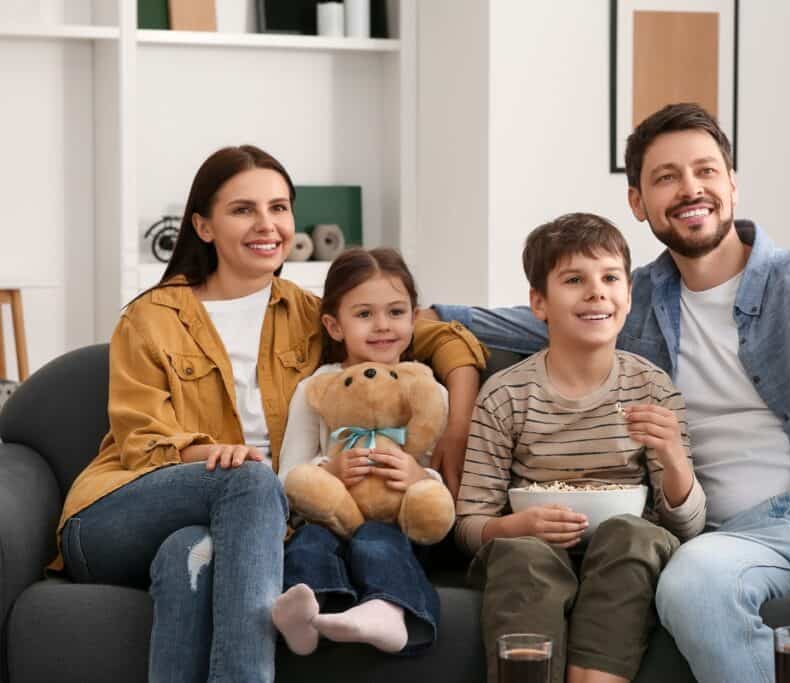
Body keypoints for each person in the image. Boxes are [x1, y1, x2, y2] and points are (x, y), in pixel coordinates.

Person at [426, 104, 790, 682]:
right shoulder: (629, 300)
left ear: (731, 183)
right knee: (685, 587)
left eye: (705, 171)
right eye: (666, 177)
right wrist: (433, 354)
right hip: (732, 537)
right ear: (638, 202)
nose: (690, 189)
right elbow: (506, 321)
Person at [51, 145, 487, 683]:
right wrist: (214, 455)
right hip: (116, 513)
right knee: (252, 482)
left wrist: (459, 422)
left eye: (279, 208)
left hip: (233, 524)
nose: (268, 225)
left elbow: (441, 333)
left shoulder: (312, 312)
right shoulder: (151, 318)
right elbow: (141, 440)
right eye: (244, 210)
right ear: (204, 227)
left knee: (190, 556)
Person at [454, 213, 706, 683]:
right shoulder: (506, 394)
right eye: (574, 280)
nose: (596, 292)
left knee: (633, 537)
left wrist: (673, 457)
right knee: (520, 555)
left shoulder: (651, 388)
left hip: (628, 548)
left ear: (628, 297)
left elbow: (687, 525)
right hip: (531, 547)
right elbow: (468, 525)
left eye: (611, 278)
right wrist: (516, 525)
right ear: (539, 302)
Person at [272, 246, 453, 657]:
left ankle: (388, 609)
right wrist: (328, 470)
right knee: (308, 541)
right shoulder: (316, 389)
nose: (382, 326)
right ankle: (312, 616)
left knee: (375, 537)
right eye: (364, 314)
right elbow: (286, 479)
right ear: (335, 326)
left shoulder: (427, 390)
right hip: (330, 519)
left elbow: (438, 481)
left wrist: (417, 477)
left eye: (395, 312)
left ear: (414, 316)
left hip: (397, 526)